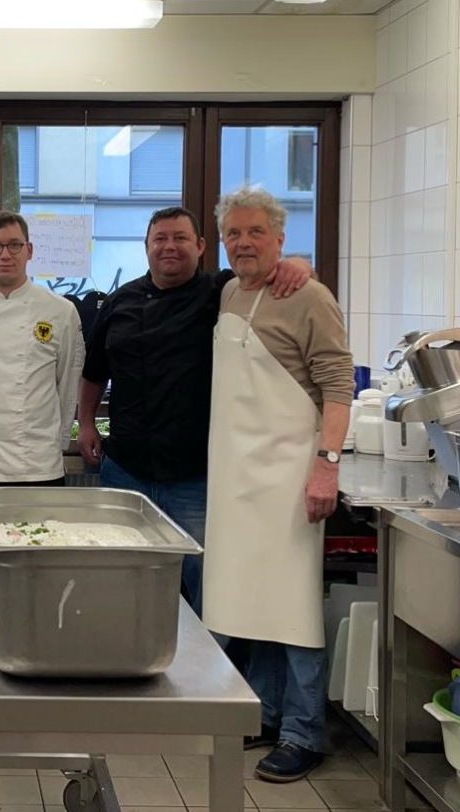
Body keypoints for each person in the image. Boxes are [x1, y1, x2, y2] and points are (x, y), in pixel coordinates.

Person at [78, 207, 310, 616]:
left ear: (201, 247)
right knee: (120, 575)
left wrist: (295, 264)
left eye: (180, 238)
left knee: (205, 582)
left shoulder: (222, 292)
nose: (170, 246)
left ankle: (208, 674)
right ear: (146, 247)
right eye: (160, 238)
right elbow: (94, 373)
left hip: (195, 475)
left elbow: (265, 274)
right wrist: (86, 425)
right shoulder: (121, 302)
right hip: (125, 468)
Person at [204, 187, 353, 782]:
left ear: (281, 238)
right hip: (238, 476)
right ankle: (264, 714)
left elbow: (337, 387)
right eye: (234, 233)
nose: (243, 243)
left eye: (256, 233)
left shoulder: (309, 294)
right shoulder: (229, 292)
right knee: (247, 602)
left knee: (291, 610)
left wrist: (327, 464)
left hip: (291, 476)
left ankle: (303, 732)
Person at [0, 210, 83, 488]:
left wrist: (57, 442)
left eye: (15, 245)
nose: (5, 255)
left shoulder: (60, 310)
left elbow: (67, 383)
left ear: (30, 250)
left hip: (39, 463)